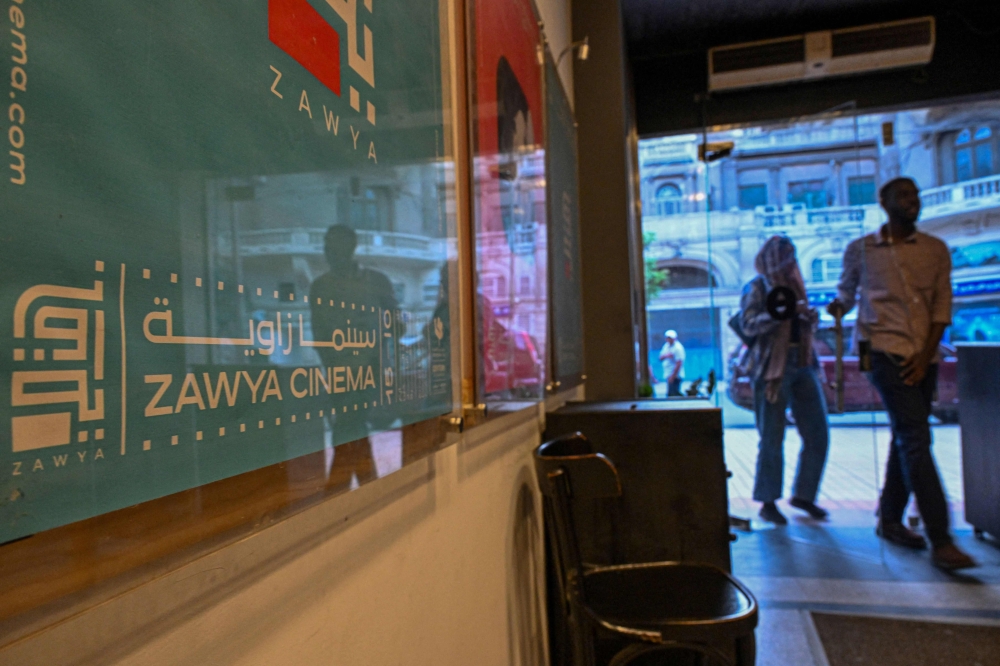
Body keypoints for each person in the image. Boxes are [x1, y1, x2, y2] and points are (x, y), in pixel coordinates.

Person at [828, 177, 976, 570]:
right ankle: (941, 538)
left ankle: (890, 519)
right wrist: (837, 308)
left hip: (922, 356)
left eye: (915, 195)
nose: (913, 201)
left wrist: (927, 354)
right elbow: (845, 294)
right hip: (882, 353)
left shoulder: (935, 249)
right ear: (885, 202)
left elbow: (942, 305)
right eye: (904, 196)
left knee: (905, 435)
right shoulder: (861, 250)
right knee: (916, 437)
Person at [740, 236, 830, 524]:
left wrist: (808, 318)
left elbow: (806, 324)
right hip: (771, 368)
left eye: (791, 255)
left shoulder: (796, 286)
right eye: (782, 255)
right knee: (772, 436)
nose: (787, 261)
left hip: (802, 362)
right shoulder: (756, 287)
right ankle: (768, 501)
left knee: (818, 433)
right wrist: (781, 316)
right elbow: (748, 324)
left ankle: (804, 495)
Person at [659, 330, 685, 396]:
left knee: (673, 394)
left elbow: (679, 363)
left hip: (675, 376)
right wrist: (666, 356)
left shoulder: (678, 348)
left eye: (670, 338)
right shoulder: (666, 346)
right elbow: (660, 357)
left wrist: (673, 376)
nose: (669, 339)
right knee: (670, 393)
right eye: (668, 338)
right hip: (668, 374)